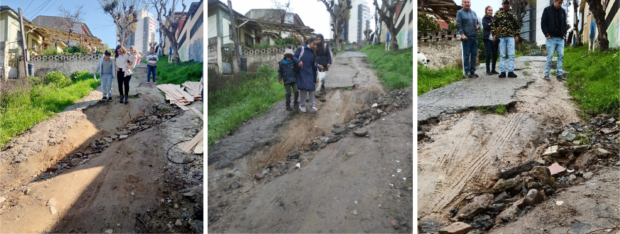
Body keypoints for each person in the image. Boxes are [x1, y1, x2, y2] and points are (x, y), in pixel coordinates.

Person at [492, 0, 520, 78]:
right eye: (505, 3)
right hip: (501, 37)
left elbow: (517, 26)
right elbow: (493, 24)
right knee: (502, 55)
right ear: (502, 4)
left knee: (511, 54)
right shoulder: (498, 14)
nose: (506, 5)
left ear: (509, 4)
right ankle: (503, 72)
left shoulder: (513, 14)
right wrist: (494, 34)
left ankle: (510, 71)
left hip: (511, 37)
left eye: (507, 3)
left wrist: (517, 35)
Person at [541, 0, 567, 81]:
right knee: (550, 56)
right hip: (551, 38)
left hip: (560, 39)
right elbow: (543, 23)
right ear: (555, 1)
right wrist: (546, 34)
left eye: (561, 3)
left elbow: (564, 24)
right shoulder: (547, 10)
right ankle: (546, 75)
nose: (560, 4)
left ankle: (559, 75)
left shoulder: (563, 12)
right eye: (559, 3)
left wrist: (564, 34)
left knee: (561, 56)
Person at [294, 37, 319, 113]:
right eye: (313, 44)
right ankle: (302, 105)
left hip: (310, 73)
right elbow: (294, 57)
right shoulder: (301, 49)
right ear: (309, 42)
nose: (315, 46)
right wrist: (298, 61)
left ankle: (312, 105)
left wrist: (318, 66)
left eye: (316, 44)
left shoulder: (312, 52)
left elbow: (312, 65)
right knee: (303, 89)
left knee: (311, 89)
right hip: (302, 72)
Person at [457, 0, 480, 78]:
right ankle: (466, 72)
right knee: (466, 55)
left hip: (474, 37)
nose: (467, 3)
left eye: (468, 2)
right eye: (465, 2)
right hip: (466, 37)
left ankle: (472, 71)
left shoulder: (473, 13)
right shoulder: (460, 13)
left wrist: (477, 26)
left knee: (474, 55)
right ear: (462, 4)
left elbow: (477, 23)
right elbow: (459, 24)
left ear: (470, 3)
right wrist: (462, 34)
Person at [482, 6, 499, 75]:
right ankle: (487, 70)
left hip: (495, 38)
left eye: (491, 10)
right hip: (487, 38)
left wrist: (491, 24)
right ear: (486, 11)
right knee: (488, 54)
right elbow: (486, 26)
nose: (490, 11)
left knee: (495, 54)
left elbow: (498, 27)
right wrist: (492, 25)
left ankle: (493, 69)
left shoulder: (494, 18)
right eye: (489, 10)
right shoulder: (484, 18)